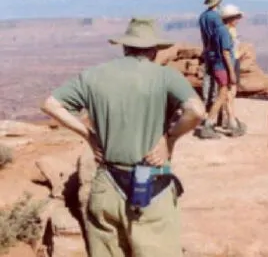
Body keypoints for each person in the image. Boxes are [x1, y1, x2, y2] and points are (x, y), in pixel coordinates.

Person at [41, 18, 205, 257]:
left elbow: (50, 104)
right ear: (154, 49)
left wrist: (89, 135)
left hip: (106, 186)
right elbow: (197, 111)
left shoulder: (93, 75)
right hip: (151, 187)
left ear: (125, 46)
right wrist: (169, 139)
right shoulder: (165, 76)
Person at [197, 0, 238, 138]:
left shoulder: (202, 17)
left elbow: (205, 38)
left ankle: (230, 122)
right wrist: (231, 71)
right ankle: (210, 123)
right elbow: (225, 50)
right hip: (220, 60)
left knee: (211, 88)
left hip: (210, 55)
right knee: (221, 93)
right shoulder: (218, 23)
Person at [216, 4, 247, 137]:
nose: (238, 20)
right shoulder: (227, 32)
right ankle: (232, 122)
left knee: (231, 94)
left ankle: (229, 119)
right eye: (235, 17)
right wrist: (231, 71)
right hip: (230, 64)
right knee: (229, 94)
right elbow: (227, 52)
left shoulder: (231, 30)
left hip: (234, 62)